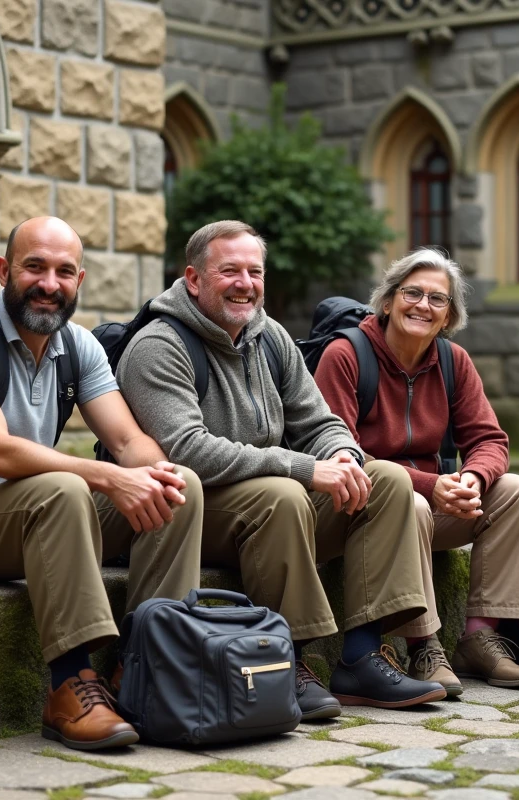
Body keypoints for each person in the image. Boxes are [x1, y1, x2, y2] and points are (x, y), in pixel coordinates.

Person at [116, 220, 446, 720]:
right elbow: (185, 451)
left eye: (254, 271)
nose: (245, 283)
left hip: (267, 505)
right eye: (229, 271)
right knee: (284, 494)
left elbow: (319, 421)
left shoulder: (269, 337)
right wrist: (302, 468)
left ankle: (360, 656)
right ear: (193, 278)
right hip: (191, 511)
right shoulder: (158, 347)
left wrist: (341, 455)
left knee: (388, 482)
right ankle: (289, 658)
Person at [0, 216, 205, 750]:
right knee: (63, 490)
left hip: (35, 513)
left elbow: (131, 444)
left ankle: (145, 669)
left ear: (79, 281)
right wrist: (107, 475)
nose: (49, 284)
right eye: (34, 267)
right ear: (3, 271)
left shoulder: (79, 346)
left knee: (179, 485)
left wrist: (152, 478)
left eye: (64, 272)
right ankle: (71, 683)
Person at [314, 247, 519, 692]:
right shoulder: (345, 356)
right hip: (360, 508)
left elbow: (490, 440)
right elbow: (339, 451)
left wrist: (472, 479)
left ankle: (478, 637)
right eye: (412, 293)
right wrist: (430, 485)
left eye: (438, 299)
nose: (423, 305)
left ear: (449, 315)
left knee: (518, 491)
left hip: (433, 497)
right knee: (410, 503)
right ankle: (423, 646)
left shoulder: (453, 362)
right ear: (388, 300)